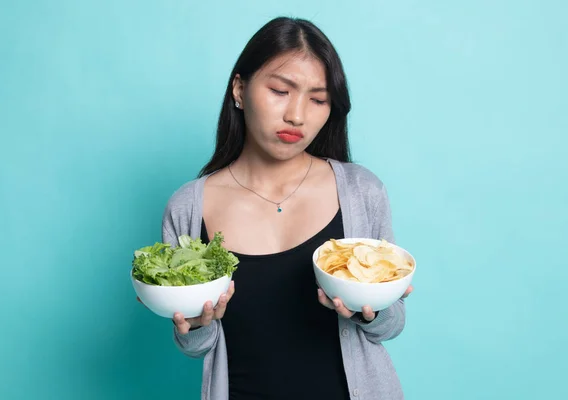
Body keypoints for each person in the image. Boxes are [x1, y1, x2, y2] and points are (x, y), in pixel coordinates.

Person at [158, 16, 413, 400]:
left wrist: (373, 309)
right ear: (239, 90)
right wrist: (194, 326)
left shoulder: (362, 192)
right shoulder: (188, 207)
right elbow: (198, 345)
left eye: (318, 99)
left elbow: (391, 325)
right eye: (280, 90)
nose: (297, 115)